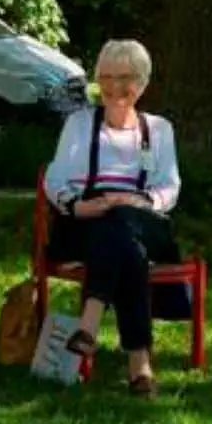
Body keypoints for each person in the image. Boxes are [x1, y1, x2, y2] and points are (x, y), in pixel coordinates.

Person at [43, 40, 183, 397]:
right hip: (84, 219)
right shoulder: (78, 124)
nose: (113, 87)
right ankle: (139, 363)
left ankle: (89, 323)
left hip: (141, 215)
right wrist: (76, 205)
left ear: (141, 83)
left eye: (123, 78)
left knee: (121, 219)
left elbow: (169, 186)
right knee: (125, 245)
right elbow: (54, 179)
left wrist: (141, 200)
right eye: (105, 77)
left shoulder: (159, 130)